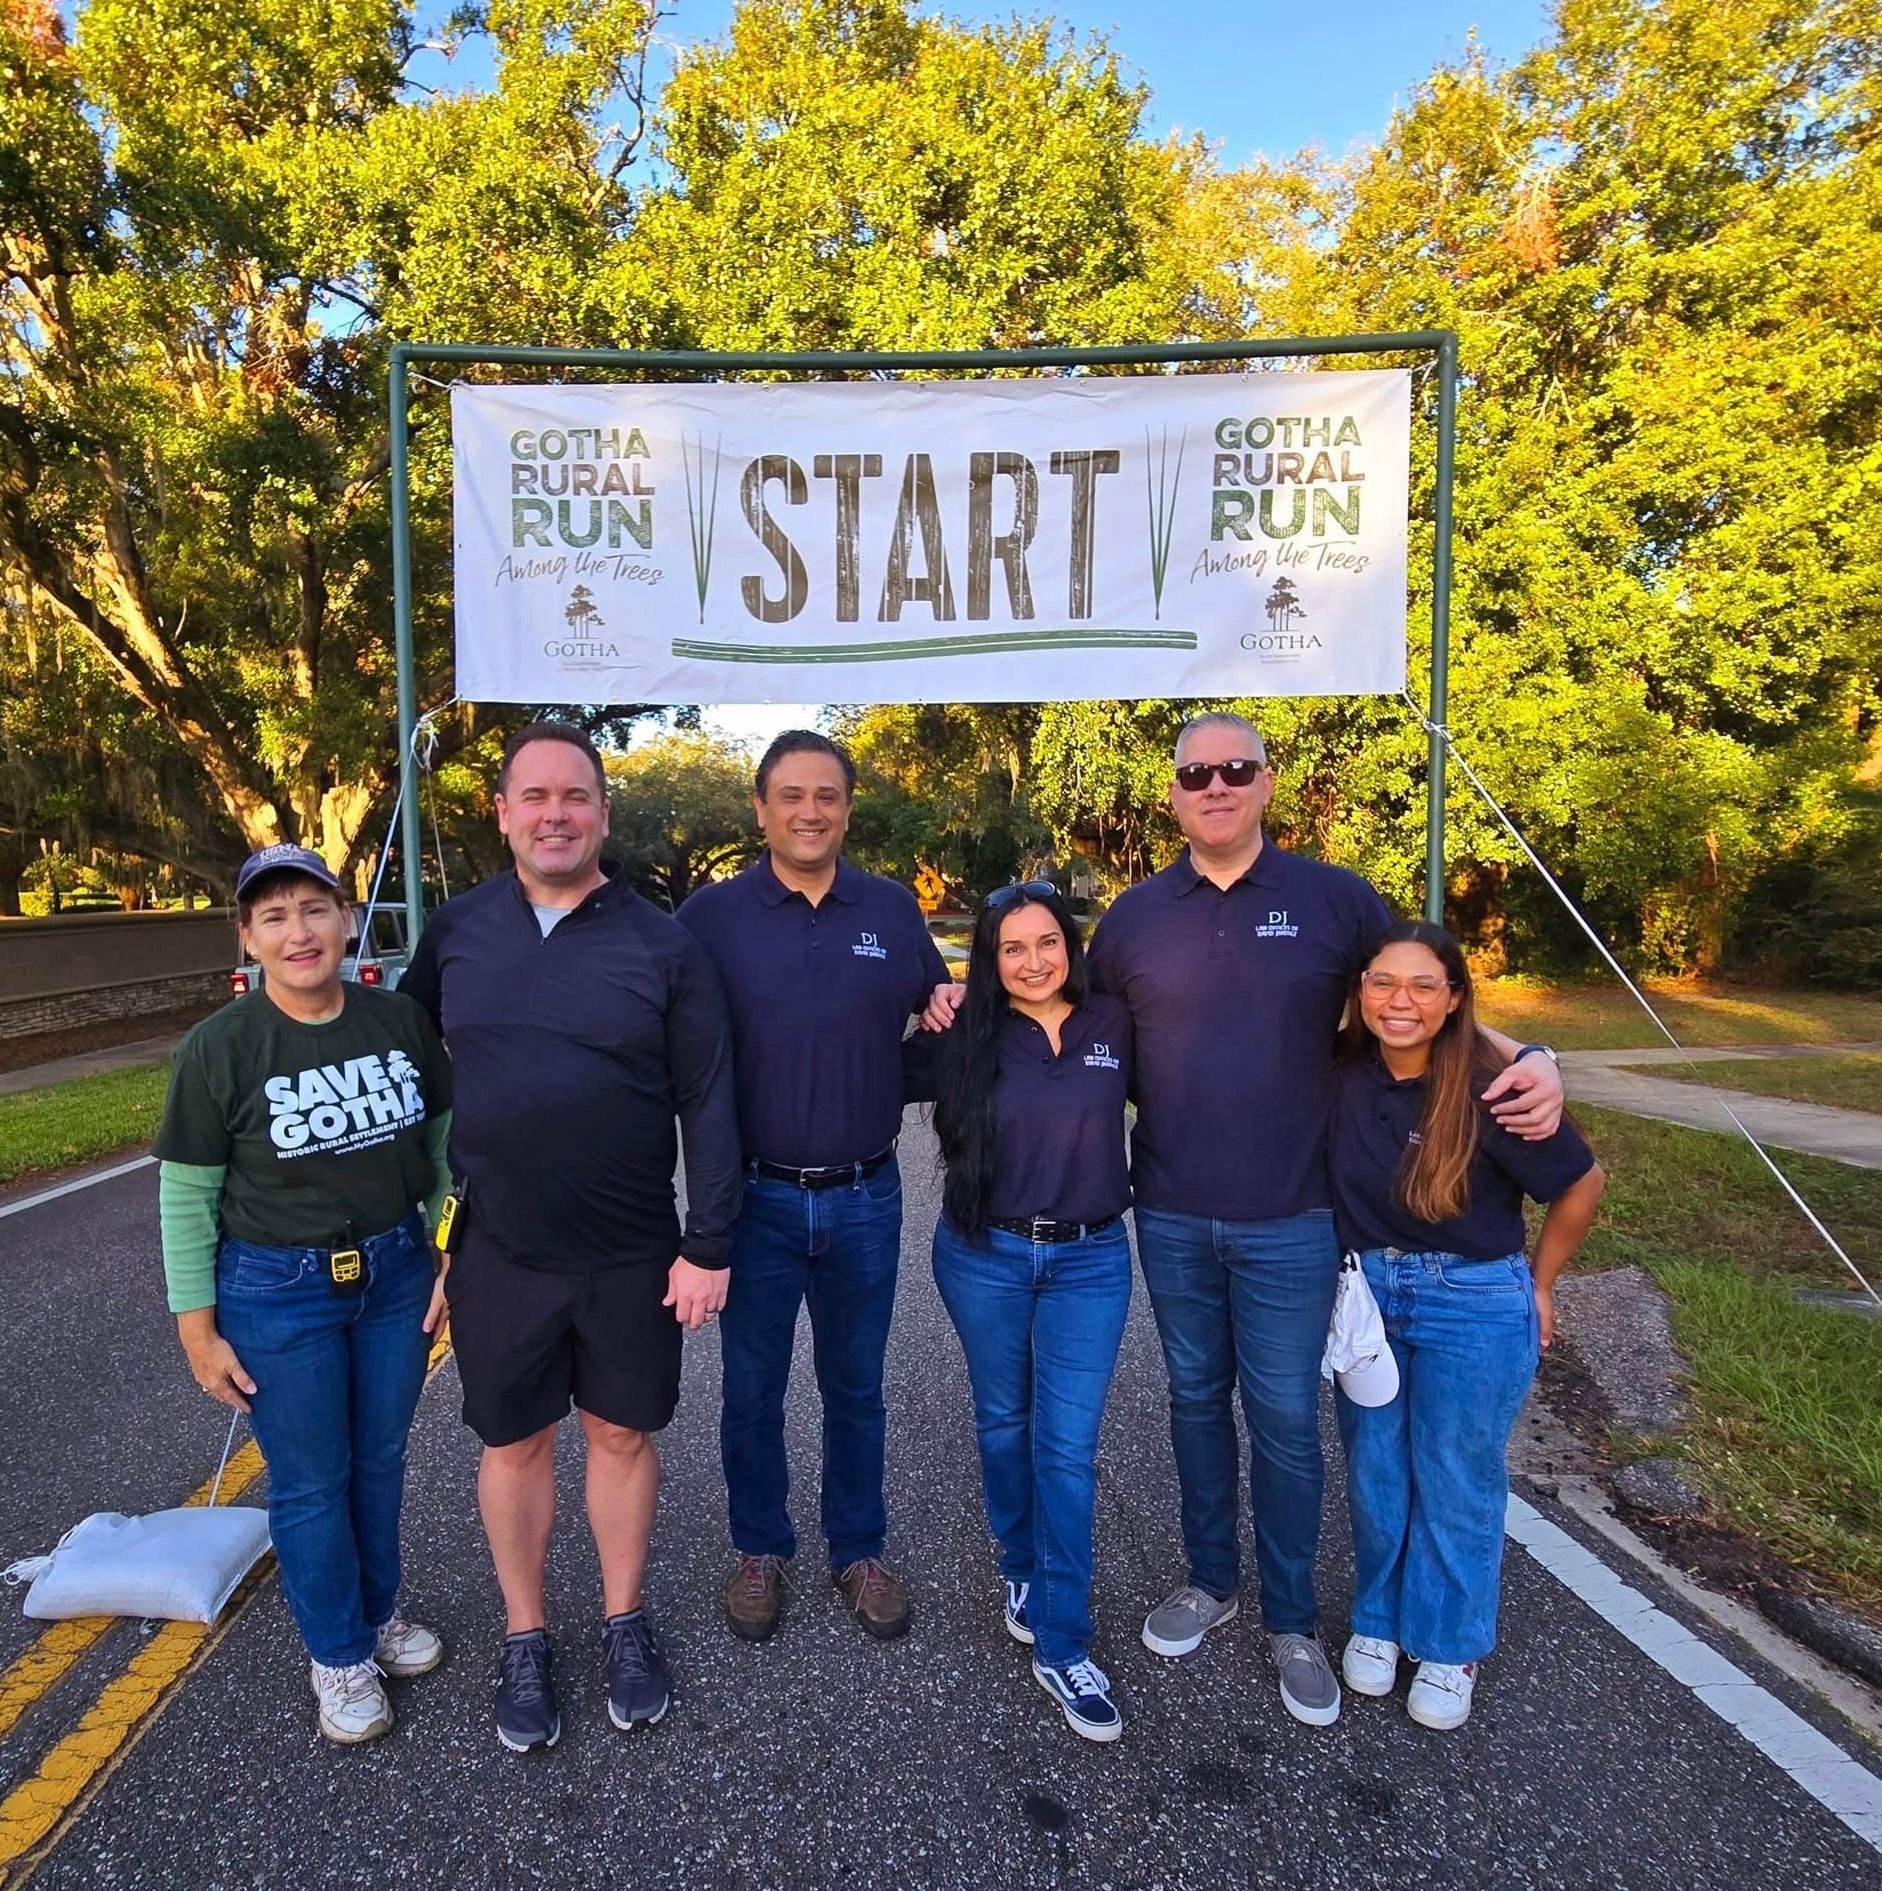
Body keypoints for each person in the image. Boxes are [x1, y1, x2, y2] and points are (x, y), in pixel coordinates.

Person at [1087, 710, 1566, 1728]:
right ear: (1169, 792)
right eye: (1194, 772)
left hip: (1296, 1220)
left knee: (1287, 1423)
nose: (1215, 786)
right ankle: (1210, 1582)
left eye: (1236, 769)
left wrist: (1533, 1057)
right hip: (1168, 1211)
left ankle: (1292, 1619)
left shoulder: (1336, 901)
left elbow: (1422, 994)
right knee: (1190, 1402)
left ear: (1268, 781)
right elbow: (1071, 1036)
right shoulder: (1130, 917)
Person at [400, 721, 741, 1753]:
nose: (555, 813)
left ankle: (625, 1620)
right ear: (502, 812)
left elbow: (711, 1097)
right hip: (500, 1247)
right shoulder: (456, 932)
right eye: (534, 796)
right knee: (513, 1442)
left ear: (602, 812)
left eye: (575, 796)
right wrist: (427, 1227)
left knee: (621, 1433)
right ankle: (525, 1632)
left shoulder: (663, 942)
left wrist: (709, 1238)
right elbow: (403, 1075)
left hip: (633, 1247)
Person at [155, 844, 453, 1745]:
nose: (299, 931)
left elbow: (443, 1156)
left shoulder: (399, 1021)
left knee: (380, 1459)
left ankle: (376, 1612)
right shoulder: (221, 1047)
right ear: (247, 936)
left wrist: (448, 1255)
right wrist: (198, 1332)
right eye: (274, 916)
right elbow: (187, 1194)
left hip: (397, 1270)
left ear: (349, 919)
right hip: (277, 1290)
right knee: (313, 1479)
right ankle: (339, 1653)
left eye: (315, 909)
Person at [677, 731, 953, 1643]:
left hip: (866, 1195)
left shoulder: (892, 909)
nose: (809, 810)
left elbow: (933, 1013)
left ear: (847, 807)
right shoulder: (709, 918)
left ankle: (858, 1546)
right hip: (752, 1200)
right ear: (760, 808)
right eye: (790, 794)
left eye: (826, 794)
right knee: (752, 1388)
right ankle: (760, 1547)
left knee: (856, 1386)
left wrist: (947, 1008)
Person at [1331, 921, 1603, 1730]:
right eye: (1382, 982)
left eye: (1422, 985)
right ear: (1360, 991)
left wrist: (1542, 1286)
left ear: (1456, 998)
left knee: (1455, 1470)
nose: (1399, 1001)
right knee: (1377, 1466)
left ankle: (1449, 1642)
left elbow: (1581, 1185)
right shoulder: (1342, 1072)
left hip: (1474, 1296)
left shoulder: (1495, 1086)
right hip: (1368, 1296)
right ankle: (1378, 1621)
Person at [904, 882, 1134, 1741]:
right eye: (1012, 947)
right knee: (1004, 1420)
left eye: (1048, 942)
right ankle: (1021, 1566)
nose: (1034, 960)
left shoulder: (1115, 1025)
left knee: (1066, 1451)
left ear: (1071, 947)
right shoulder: (963, 1035)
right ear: (990, 961)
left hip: (1091, 1262)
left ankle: (1063, 1641)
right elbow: (844, 1067)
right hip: (985, 1256)